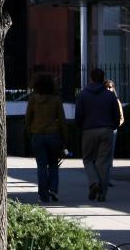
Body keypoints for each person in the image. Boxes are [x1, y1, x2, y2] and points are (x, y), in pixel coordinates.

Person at [75, 67, 121, 202]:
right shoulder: (110, 95)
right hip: (106, 129)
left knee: (88, 159)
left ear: (91, 78)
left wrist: (81, 126)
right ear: (102, 79)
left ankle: (94, 182)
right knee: (104, 162)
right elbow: (116, 114)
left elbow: (78, 115)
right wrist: (114, 126)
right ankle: (102, 194)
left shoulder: (83, 94)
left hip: (89, 130)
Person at [25, 73, 67, 203]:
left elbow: (28, 118)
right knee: (54, 165)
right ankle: (53, 189)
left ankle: (43, 195)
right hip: (53, 135)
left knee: (41, 166)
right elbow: (62, 120)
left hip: (37, 134)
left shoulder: (33, 99)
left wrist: (29, 133)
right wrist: (64, 139)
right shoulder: (56, 100)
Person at [104, 79, 125, 187]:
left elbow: (121, 117)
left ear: (114, 89)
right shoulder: (100, 100)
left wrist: (116, 125)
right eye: (106, 87)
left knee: (109, 156)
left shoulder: (116, 101)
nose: (108, 89)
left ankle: (106, 179)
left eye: (110, 87)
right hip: (102, 129)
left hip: (112, 130)